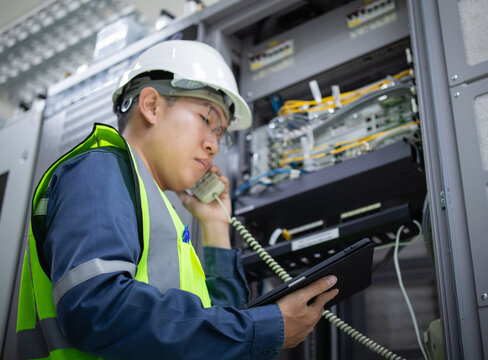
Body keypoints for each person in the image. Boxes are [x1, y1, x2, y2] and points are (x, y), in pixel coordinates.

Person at [16, 40, 338, 360]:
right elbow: (98, 309)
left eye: (220, 135)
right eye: (206, 120)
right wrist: (262, 328)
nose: (213, 145)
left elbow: (213, 333)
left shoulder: (160, 212)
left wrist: (215, 225)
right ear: (152, 106)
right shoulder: (99, 169)